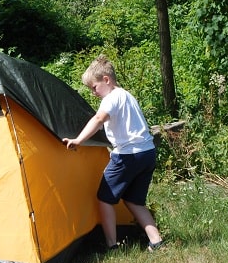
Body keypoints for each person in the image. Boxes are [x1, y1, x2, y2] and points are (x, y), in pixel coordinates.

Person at [62, 55, 165, 251]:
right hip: (147, 153)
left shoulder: (111, 98)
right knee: (134, 200)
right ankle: (156, 241)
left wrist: (78, 140)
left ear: (106, 80)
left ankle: (111, 245)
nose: (93, 93)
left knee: (105, 197)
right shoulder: (127, 96)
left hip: (128, 155)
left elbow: (99, 118)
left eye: (94, 87)